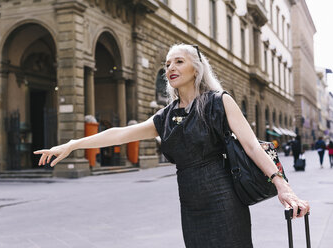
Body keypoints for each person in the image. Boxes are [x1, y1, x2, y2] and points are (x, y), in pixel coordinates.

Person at [34, 44, 310, 248]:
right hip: (190, 202)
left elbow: (251, 146)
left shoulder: (218, 101)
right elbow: (120, 133)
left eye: (179, 61)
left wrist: (282, 185)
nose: (171, 68)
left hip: (223, 198)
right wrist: (72, 144)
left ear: (196, 69)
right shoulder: (165, 116)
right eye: (167, 64)